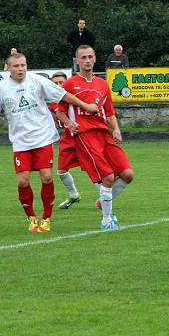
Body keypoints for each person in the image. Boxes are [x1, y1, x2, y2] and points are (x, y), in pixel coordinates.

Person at [0, 54, 99, 233]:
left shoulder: (38, 81)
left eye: (23, 65)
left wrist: (85, 106)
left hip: (42, 137)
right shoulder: (0, 88)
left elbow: (63, 95)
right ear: (7, 68)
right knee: (23, 182)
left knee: (47, 177)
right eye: (16, 66)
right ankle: (31, 217)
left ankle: (46, 218)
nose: (20, 69)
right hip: (20, 141)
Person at [59, 45, 134, 230]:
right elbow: (59, 111)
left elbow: (109, 112)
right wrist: (69, 123)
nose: (86, 60)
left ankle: (103, 200)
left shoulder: (102, 84)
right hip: (84, 135)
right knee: (107, 177)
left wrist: (116, 129)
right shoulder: (70, 84)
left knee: (128, 174)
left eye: (90, 56)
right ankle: (107, 221)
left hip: (103, 133)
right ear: (77, 61)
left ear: (94, 59)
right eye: (83, 57)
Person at [48, 71, 88, 210]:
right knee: (61, 171)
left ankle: (105, 197)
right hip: (67, 137)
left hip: (82, 135)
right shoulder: (52, 102)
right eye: (55, 83)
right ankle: (73, 194)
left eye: (61, 82)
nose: (59, 85)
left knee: (94, 168)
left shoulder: (72, 98)